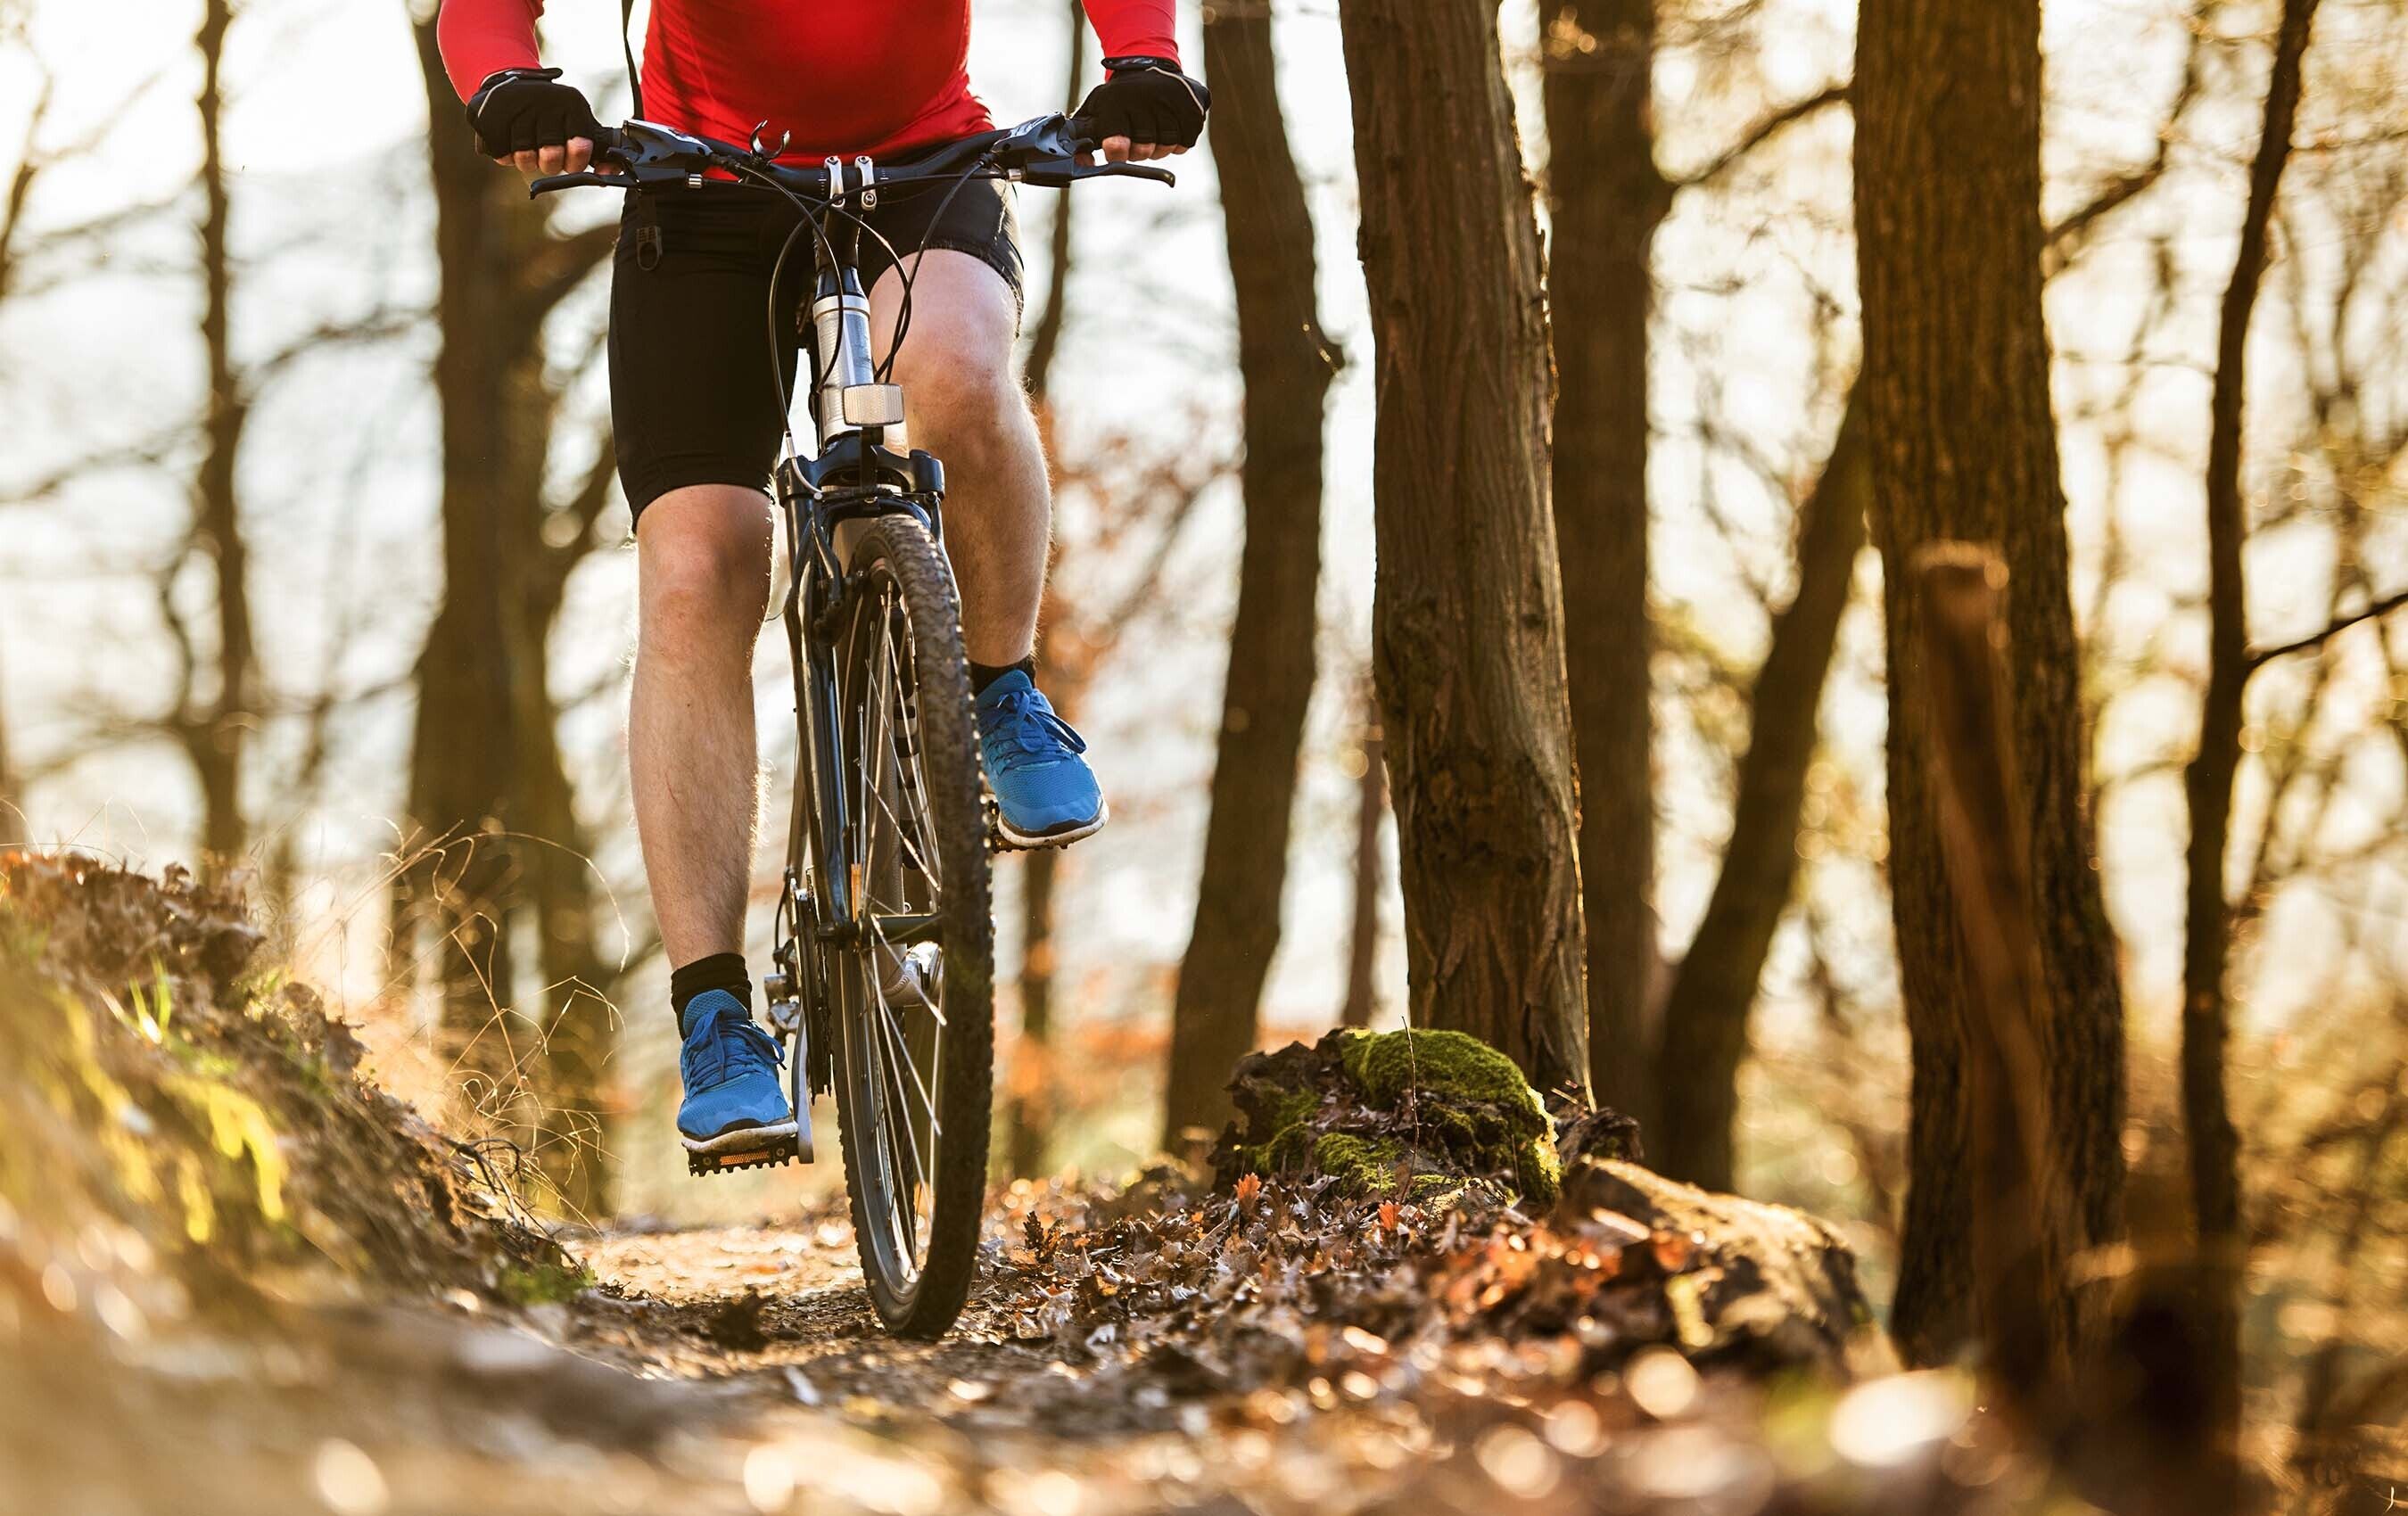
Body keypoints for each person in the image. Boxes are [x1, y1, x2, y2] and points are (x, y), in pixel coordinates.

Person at [434, 0, 1208, 1166]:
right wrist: (509, 89)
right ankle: (715, 1019)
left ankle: (997, 690)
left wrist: (1143, 59)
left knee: (951, 374)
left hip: (927, 173)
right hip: (699, 193)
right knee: (699, 568)